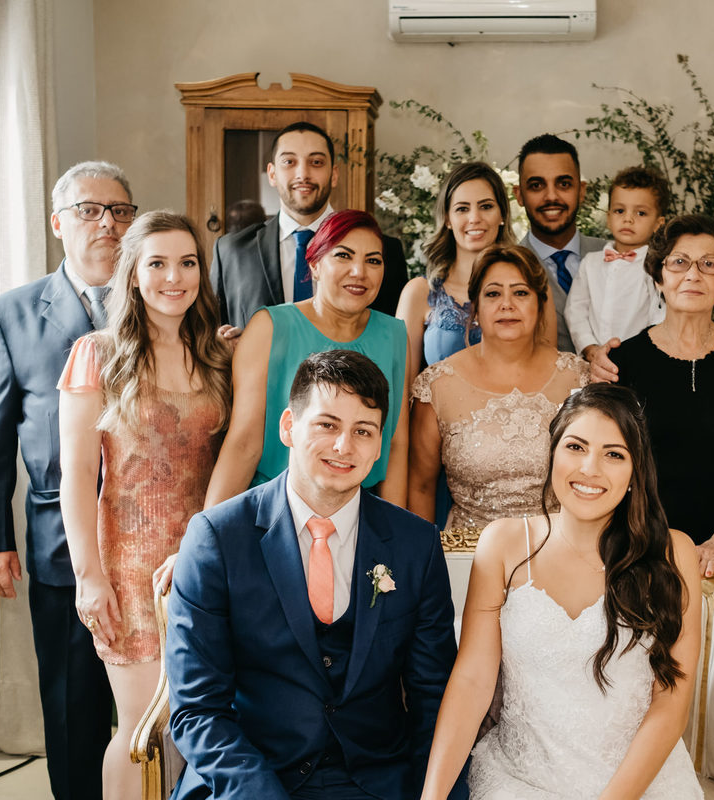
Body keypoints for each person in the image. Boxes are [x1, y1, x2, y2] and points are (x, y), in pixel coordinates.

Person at [166, 350, 458, 800]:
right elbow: (198, 711)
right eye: (327, 424)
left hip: (376, 782)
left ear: (379, 446)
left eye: (363, 431)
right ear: (288, 426)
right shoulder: (217, 539)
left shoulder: (415, 545)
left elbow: (434, 697)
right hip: (252, 779)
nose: (344, 446)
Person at [420, 383, 703, 799]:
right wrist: (432, 796)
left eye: (613, 454)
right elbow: (472, 682)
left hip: (640, 785)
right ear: (552, 453)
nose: (589, 469)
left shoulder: (673, 553)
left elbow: (670, 703)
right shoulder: (503, 544)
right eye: (575, 447)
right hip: (520, 782)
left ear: (636, 471)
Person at [0, 161, 131, 799]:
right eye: (90, 209)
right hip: (60, 538)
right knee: (72, 700)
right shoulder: (11, 313)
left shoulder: (164, 296)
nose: (107, 223)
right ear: (58, 222)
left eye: (120, 210)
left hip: (154, 531)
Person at [57, 211, 231, 800]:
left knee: (196, 720)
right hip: (129, 569)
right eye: (157, 263)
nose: (174, 277)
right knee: (142, 726)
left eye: (187, 263)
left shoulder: (217, 357)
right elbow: (78, 475)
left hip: (205, 560)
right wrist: (89, 577)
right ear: (132, 274)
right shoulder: (98, 354)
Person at [205, 210, 409, 508]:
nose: (359, 272)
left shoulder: (394, 334)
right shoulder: (269, 327)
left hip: (360, 509)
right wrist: (208, 528)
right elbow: (243, 443)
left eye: (373, 261)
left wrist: (393, 528)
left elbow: (396, 443)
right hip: (276, 506)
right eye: (343, 256)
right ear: (314, 265)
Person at [609, 215, 714, 575]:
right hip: (641, 557)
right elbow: (610, 469)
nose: (693, 274)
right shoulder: (623, 362)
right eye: (679, 262)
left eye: (708, 264)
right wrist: (645, 544)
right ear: (659, 278)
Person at [408, 244, 589, 530]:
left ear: (540, 304)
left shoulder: (578, 379)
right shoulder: (437, 385)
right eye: (493, 294)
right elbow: (420, 486)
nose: (507, 304)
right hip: (466, 550)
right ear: (475, 309)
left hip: (558, 546)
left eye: (521, 293)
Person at [210, 121, 408, 326]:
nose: (303, 174)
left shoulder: (386, 251)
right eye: (289, 162)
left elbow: (396, 333)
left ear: (334, 174)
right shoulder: (231, 251)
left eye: (316, 162)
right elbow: (210, 332)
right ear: (272, 174)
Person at [396, 161, 518, 374]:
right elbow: (401, 384)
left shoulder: (531, 288)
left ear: (502, 215)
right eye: (462, 209)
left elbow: (549, 374)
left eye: (486, 206)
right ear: (447, 219)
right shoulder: (419, 292)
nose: (474, 218)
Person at [566, 165, 669, 374]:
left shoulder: (656, 267)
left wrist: (641, 353)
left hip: (638, 363)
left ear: (658, 224)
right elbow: (575, 310)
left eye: (641, 213)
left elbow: (659, 317)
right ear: (608, 217)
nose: (628, 219)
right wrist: (590, 348)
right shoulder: (590, 263)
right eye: (619, 210)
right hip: (592, 363)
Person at [514, 134, 607, 353]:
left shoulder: (614, 254)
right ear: (519, 195)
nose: (551, 196)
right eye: (536, 185)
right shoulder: (505, 267)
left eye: (564, 184)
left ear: (581, 191)